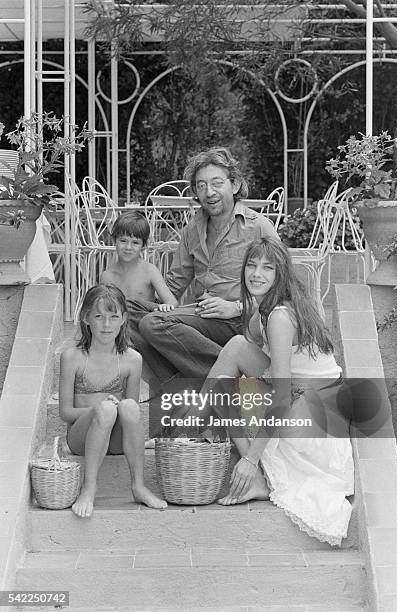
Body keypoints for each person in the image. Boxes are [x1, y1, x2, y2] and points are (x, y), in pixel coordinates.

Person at [188, 237, 354, 546]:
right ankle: (198, 425)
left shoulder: (280, 316)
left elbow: (279, 400)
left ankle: (258, 476)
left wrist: (250, 459)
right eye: (251, 265)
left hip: (318, 420)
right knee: (235, 350)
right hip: (306, 400)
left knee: (227, 394)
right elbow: (244, 349)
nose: (256, 274)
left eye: (267, 268)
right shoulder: (264, 311)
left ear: (281, 274)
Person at [127, 147, 279, 389]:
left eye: (217, 183)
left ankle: (228, 372)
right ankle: (195, 379)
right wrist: (149, 300)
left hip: (240, 320)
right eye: (201, 185)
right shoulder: (192, 229)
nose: (209, 192)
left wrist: (236, 307)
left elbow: (283, 288)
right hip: (202, 317)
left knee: (152, 323)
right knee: (124, 308)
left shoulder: (258, 227)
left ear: (235, 184)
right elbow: (175, 283)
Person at [59, 284, 167, 518]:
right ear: (86, 318)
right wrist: (98, 409)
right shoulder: (73, 357)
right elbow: (66, 413)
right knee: (107, 410)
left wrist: (115, 408)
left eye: (113, 317)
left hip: (116, 440)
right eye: (99, 316)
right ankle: (89, 488)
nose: (106, 325)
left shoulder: (132, 360)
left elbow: (132, 414)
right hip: (81, 437)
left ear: (123, 320)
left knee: (128, 406)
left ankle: (138, 485)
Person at [100, 210, 178, 312]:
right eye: (123, 241)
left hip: (145, 322)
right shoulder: (107, 276)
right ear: (114, 241)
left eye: (135, 243)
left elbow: (172, 302)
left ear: (144, 246)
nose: (128, 247)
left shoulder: (149, 271)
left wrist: (166, 306)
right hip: (120, 325)